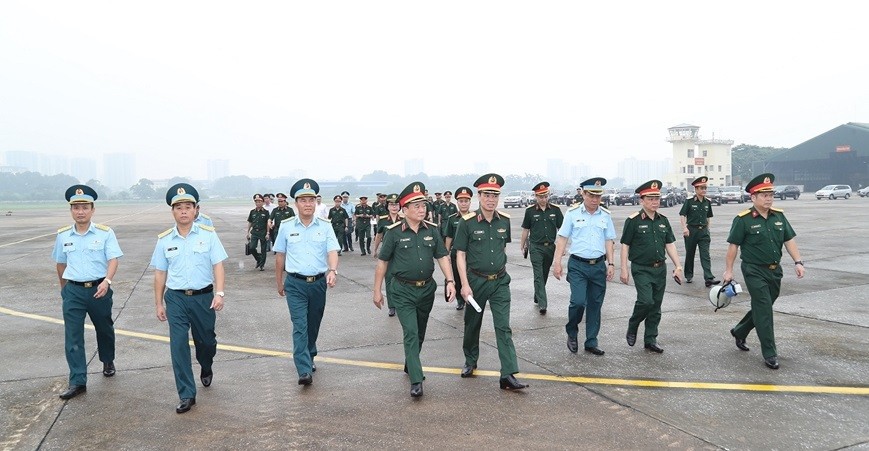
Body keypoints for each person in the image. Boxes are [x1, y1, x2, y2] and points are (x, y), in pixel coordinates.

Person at [373, 182, 455, 397]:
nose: (422, 209)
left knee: (420, 332)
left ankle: (411, 363)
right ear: (404, 209)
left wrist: (450, 281)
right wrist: (377, 290)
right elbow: (382, 263)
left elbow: (442, 257)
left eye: (423, 205)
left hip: (426, 289)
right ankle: (416, 379)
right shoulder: (393, 233)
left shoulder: (432, 230)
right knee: (410, 332)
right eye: (416, 206)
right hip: (402, 290)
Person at [151, 183, 227, 413]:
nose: (183, 211)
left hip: (203, 297)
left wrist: (220, 293)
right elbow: (160, 273)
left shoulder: (208, 235)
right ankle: (186, 393)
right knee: (178, 346)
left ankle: (206, 364)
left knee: (206, 342)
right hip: (176, 299)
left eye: (188, 206)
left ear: (196, 210)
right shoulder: (164, 240)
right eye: (178, 207)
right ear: (172, 211)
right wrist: (158, 302)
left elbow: (218, 265)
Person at [723, 173, 804, 370]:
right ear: (753, 197)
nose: (768, 198)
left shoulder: (779, 216)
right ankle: (770, 353)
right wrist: (728, 271)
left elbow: (789, 240)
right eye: (763, 194)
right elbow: (733, 246)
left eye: (770, 194)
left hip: (775, 271)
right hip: (753, 270)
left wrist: (798, 261)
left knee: (763, 306)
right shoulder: (743, 220)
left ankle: (740, 331)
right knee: (765, 309)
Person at [453, 173, 527, 390]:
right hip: (476, 282)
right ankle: (470, 360)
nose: (491, 200)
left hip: (500, 282)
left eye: (495, 195)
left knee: (503, 326)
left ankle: (508, 374)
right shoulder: (466, 223)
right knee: (472, 324)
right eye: (487, 195)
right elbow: (460, 255)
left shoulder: (504, 220)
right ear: (479, 196)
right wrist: (464, 285)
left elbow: (502, 248)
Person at [52, 184, 123, 400]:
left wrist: (107, 281)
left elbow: (113, 259)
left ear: (92, 210)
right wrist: (64, 289)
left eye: (84, 207)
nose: (80, 211)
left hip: (99, 289)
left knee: (104, 328)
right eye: (76, 207)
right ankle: (78, 381)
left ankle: (107, 359)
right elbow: (60, 264)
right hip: (73, 291)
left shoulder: (104, 233)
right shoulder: (63, 235)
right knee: (73, 337)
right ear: (71, 210)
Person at [273, 178, 340, 386]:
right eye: (303, 200)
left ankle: (310, 353)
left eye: (311, 200)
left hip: (319, 283)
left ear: (316, 202)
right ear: (296, 204)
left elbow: (332, 251)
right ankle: (303, 369)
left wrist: (333, 270)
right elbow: (279, 257)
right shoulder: (285, 226)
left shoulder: (326, 226)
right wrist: (279, 282)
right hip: (295, 284)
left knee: (313, 324)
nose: (308, 204)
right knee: (299, 325)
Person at [553, 178, 616, 355]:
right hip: (578, 265)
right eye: (591, 195)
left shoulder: (605, 215)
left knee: (595, 305)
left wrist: (611, 263)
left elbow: (609, 240)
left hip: (598, 265)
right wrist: (557, 262)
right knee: (578, 302)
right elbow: (563, 238)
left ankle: (591, 341)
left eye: (598, 196)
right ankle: (572, 332)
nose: (594, 199)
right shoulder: (572, 213)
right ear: (583, 193)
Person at [619, 180, 683, 354]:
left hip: (659, 268)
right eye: (651, 198)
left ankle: (651, 339)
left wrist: (678, 266)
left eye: (657, 198)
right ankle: (633, 324)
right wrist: (623, 269)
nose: (655, 202)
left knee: (655, 307)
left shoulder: (663, 221)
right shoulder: (633, 221)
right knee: (646, 301)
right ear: (642, 200)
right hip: (641, 268)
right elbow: (625, 245)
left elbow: (670, 244)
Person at [520, 181, 564, 315]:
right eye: (540, 197)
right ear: (536, 197)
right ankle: (543, 303)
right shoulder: (530, 211)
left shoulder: (555, 210)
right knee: (538, 275)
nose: (543, 199)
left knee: (544, 274)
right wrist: (522, 244)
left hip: (550, 248)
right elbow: (526, 230)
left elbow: (562, 229)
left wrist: (563, 247)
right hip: (536, 247)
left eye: (545, 196)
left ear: (548, 196)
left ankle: (537, 295)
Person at [679, 176, 720, 287]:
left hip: (703, 232)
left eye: (705, 188)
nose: (703, 190)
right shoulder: (689, 201)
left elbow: (708, 217)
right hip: (691, 231)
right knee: (690, 254)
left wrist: (708, 229)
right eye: (701, 188)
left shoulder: (707, 202)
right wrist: (684, 228)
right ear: (696, 190)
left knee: (705, 255)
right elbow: (682, 214)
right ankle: (688, 275)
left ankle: (708, 278)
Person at [371, 193, 403, 317]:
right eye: (391, 204)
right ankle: (392, 306)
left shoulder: (404, 220)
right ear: (388, 206)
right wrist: (375, 249)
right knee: (389, 280)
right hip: (388, 255)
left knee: (402, 279)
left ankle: (401, 303)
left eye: (396, 204)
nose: (394, 207)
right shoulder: (384, 221)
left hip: (401, 254)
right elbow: (379, 235)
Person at [444, 186, 473, 311]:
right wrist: (446, 254)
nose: (463, 203)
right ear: (457, 202)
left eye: (466, 201)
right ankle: (460, 301)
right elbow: (449, 238)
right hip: (456, 253)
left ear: (470, 202)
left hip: (472, 253)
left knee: (471, 276)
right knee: (457, 277)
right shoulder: (452, 219)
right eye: (461, 201)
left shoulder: (475, 218)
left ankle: (471, 298)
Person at [247, 194, 270, 270]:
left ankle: (262, 265)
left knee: (263, 250)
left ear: (263, 203)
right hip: (254, 232)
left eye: (260, 202)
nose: (258, 203)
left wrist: (267, 233)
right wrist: (247, 232)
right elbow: (250, 222)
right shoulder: (252, 212)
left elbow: (268, 223)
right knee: (252, 248)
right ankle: (258, 258)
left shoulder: (266, 212)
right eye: (256, 202)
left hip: (263, 232)